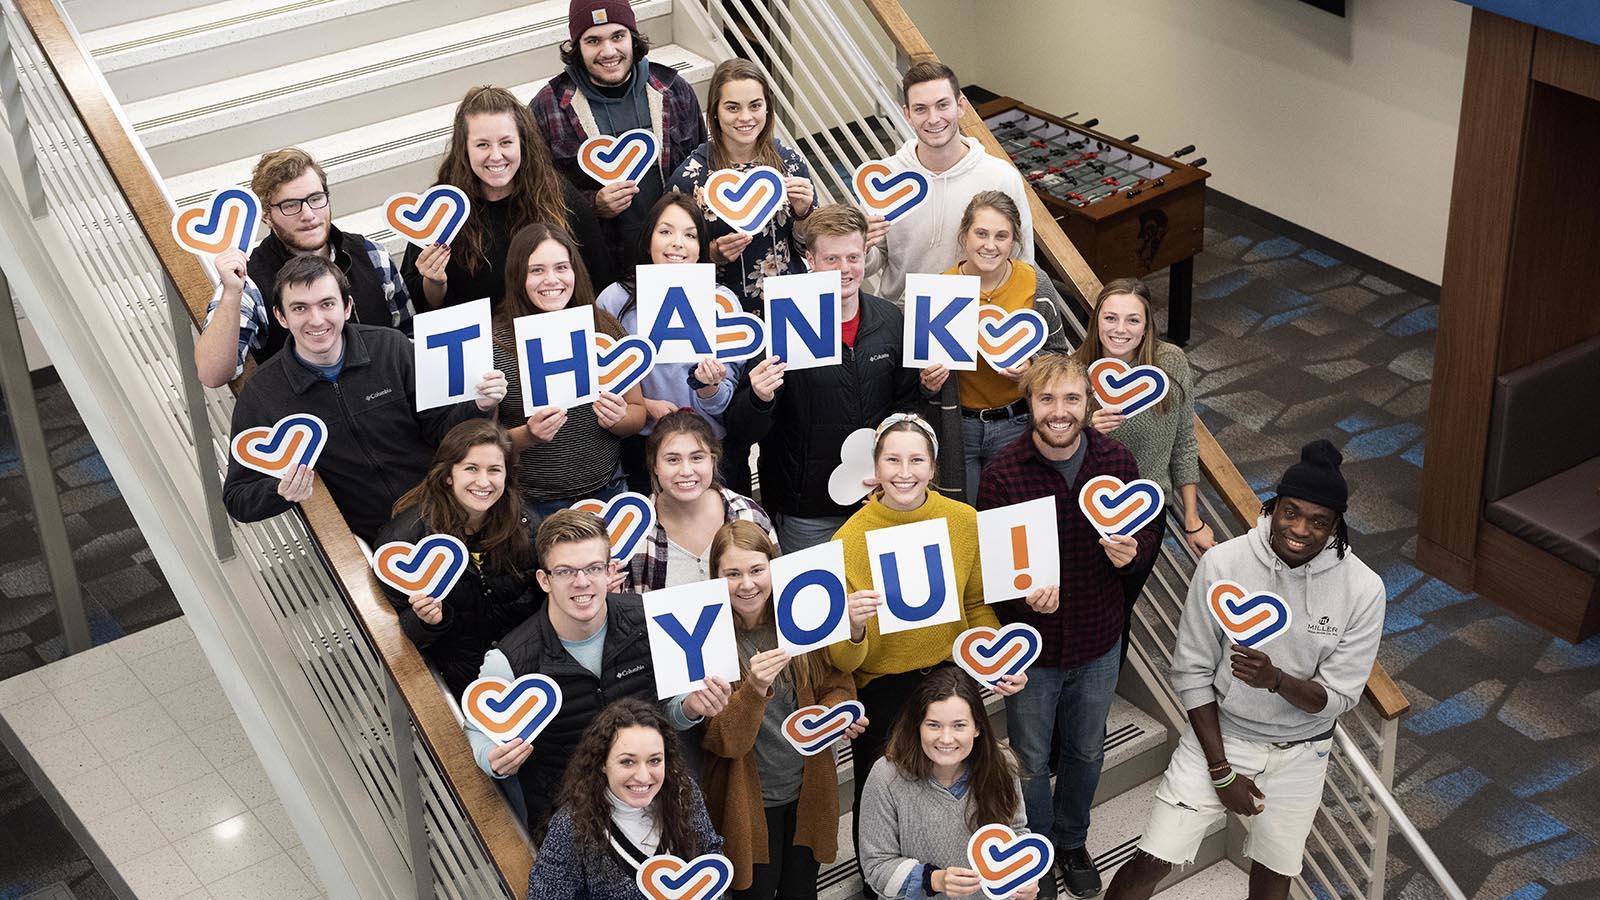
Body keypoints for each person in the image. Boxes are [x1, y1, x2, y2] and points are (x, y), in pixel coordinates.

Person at [1104, 441, 1385, 900]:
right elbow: (1191, 672)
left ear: (1337, 526)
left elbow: (1339, 698)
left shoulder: (1364, 589)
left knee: (1274, 879)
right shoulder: (1224, 563)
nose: (1300, 530)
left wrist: (1276, 681)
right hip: (1222, 738)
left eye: (1319, 522)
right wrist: (1221, 771)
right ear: (1272, 507)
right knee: (1150, 862)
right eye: (1291, 512)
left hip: (1302, 754)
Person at [974, 354, 1160, 899]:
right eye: (1047, 399)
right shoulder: (1004, 472)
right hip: (1033, 652)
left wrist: (1132, 555)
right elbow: (992, 570)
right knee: (1030, 759)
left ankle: (1073, 840)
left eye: (1071, 399)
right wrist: (1021, 596)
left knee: (1085, 750)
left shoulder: (1117, 460)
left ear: (1088, 403)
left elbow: (1146, 537)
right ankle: (1038, 851)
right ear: (1030, 404)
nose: (1060, 412)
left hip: (1100, 638)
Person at [828, 413, 1024, 881]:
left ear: (934, 468)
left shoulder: (963, 520)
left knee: (971, 781)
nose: (904, 471)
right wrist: (853, 628)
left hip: (951, 676)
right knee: (882, 794)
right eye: (892, 459)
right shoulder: (847, 540)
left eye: (917, 460)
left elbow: (974, 604)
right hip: (884, 686)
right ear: (875, 467)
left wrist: (997, 657)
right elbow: (843, 660)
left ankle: (973, 872)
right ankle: (885, 883)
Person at [467, 510, 732, 833]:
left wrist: (691, 708)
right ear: (544, 580)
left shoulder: (649, 619)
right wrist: (491, 758)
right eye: (565, 571)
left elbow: (669, 712)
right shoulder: (509, 659)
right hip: (572, 824)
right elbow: (476, 729)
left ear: (609, 572)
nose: (581, 582)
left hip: (655, 807)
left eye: (592, 568)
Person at [221, 255, 502, 542]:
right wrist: (280, 490)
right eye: (300, 308)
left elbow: (441, 430)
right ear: (281, 317)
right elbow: (237, 499)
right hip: (374, 542)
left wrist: (478, 406)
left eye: (327, 304)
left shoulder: (391, 348)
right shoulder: (263, 393)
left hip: (450, 509)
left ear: (347, 307)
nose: (316, 320)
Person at [723, 204, 921, 552]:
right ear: (810, 259)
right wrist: (758, 398)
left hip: (878, 500)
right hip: (806, 513)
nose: (845, 269)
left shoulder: (890, 320)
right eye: (832, 259)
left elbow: (905, 405)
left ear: (865, 256)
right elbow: (742, 432)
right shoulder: (779, 327)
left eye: (853, 258)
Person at [701, 520, 859, 900]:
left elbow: (836, 683)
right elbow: (724, 741)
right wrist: (754, 690)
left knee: (802, 891)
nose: (747, 583)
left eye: (757, 569)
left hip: (809, 791)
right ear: (715, 577)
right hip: (751, 804)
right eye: (732, 574)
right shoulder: (707, 637)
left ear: (774, 566)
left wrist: (836, 715)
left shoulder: (798, 616)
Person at [1073, 277, 1213, 666]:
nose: (1121, 330)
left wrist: (1192, 518)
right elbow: (1052, 450)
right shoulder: (1074, 372)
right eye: (1111, 318)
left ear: (1148, 324)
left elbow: (1184, 440)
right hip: (1085, 514)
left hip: (1145, 516)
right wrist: (1083, 430)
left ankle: (1103, 688)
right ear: (1096, 320)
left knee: (1120, 609)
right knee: (1085, 606)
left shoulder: (1170, 364)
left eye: (1133, 320)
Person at [196, 148, 410, 386]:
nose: (308, 214)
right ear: (266, 215)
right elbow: (212, 375)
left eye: (316, 199)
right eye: (290, 205)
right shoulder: (248, 280)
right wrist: (231, 294)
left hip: (388, 403)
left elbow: (408, 337)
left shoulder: (372, 255)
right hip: (311, 416)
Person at [374, 419, 544, 697]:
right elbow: (395, 638)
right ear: (448, 475)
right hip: (460, 681)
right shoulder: (406, 539)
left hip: (528, 666)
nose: (484, 481)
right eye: (471, 469)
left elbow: (545, 593)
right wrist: (427, 621)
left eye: (494, 470)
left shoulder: (524, 522)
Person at [403, 85, 610, 312]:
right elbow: (425, 307)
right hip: (482, 342)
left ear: (522, 142)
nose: (496, 155)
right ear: (464, 149)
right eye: (482, 144)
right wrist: (434, 281)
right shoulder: (440, 208)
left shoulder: (559, 195)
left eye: (506, 142)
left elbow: (598, 278)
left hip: (553, 337)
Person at [490, 223, 647, 522]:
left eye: (561, 267)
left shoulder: (604, 327)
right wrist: (528, 435)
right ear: (517, 276)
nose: (551, 280)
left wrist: (619, 420)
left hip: (609, 490)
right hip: (535, 505)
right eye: (536, 270)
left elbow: (637, 414)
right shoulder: (495, 344)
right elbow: (483, 442)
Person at [532, 0, 708, 265]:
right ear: (577, 47)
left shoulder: (673, 90)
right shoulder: (548, 106)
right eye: (593, 41)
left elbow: (703, 168)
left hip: (676, 258)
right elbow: (538, 196)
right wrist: (593, 205)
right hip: (600, 263)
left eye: (618, 36)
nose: (608, 51)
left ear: (632, 37)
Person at [924, 191, 1070, 502]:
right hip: (958, 427)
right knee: (968, 517)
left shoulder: (1035, 283)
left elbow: (1060, 357)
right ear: (964, 235)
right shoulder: (940, 288)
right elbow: (920, 378)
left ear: (1015, 240)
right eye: (981, 233)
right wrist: (927, 382)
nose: (990, 245)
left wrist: (1032, 369)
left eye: (1001, 236)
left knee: (1016, 518)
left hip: (1018, 423)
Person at [595, 193, 742, 492]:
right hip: (642, 446)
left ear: (700, 247)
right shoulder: (614, 299)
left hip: (708, 447)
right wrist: (645, 405)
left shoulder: (722, 302)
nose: (677, 242)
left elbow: (726, 400)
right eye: (665, 232)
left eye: (689, 235)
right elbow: (599, 384)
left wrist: (710, 385)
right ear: (648, 241)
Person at [856, 668, 1038, 900]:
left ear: (977, 728)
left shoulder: (1002, 762)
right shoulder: (886, 776)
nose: (945, 738)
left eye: (959, 725)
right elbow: (876, 866)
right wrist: (934, 879)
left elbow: (1015, 832)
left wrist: (1025, 877)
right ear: (917, 726)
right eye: (933, 725)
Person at [866, 62, 1033, 305]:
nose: (933, 119)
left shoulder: (1001, 177)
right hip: (899, 319)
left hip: (974, 318)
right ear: (907, 114)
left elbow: (1022, 258)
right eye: (921, 109)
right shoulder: (885, 178)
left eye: (942, 105)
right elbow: (875, 260)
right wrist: (860, 247)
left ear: (961, 105)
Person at [527, 698, 724, 900]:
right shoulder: (573, 823)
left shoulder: (683, 792)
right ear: (602, 762)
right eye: (627, 762)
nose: (643, 776)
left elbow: (709, 856)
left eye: (654, 760)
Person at [667, 58, 814, 312]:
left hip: (790, 309)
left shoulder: (790, 163)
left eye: (755, 105)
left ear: (767, 107)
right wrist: (712, 254)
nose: (745, 117)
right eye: (732, 108)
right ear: (715, 111)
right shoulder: (691, 177)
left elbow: (809, 248)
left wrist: (804, 214)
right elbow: (668, 262)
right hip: (720, 312)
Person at [623, 411, 777, 593]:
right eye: (673, 460)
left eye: (697, 457)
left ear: (712, 460)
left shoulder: (749, 514)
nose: (686, 470)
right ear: (655, 465)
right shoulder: (633, 532)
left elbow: (777, 587)